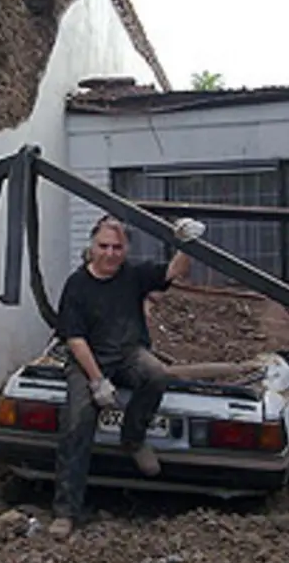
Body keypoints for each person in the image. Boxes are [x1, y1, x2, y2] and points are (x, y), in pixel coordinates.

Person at [49, 213, 206, 538]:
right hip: (89, 359)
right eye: (104, 246)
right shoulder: (77, 285)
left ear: (125, 250)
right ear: (92, 247)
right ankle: (66, 511)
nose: (110, 253)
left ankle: (132, 439)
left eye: (117, 247)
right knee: (77, 421)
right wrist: (96, 381)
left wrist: (186, 243)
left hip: (128, 353)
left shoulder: (132, 275)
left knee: (156, 375)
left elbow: (174, 271)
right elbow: (75, 340)